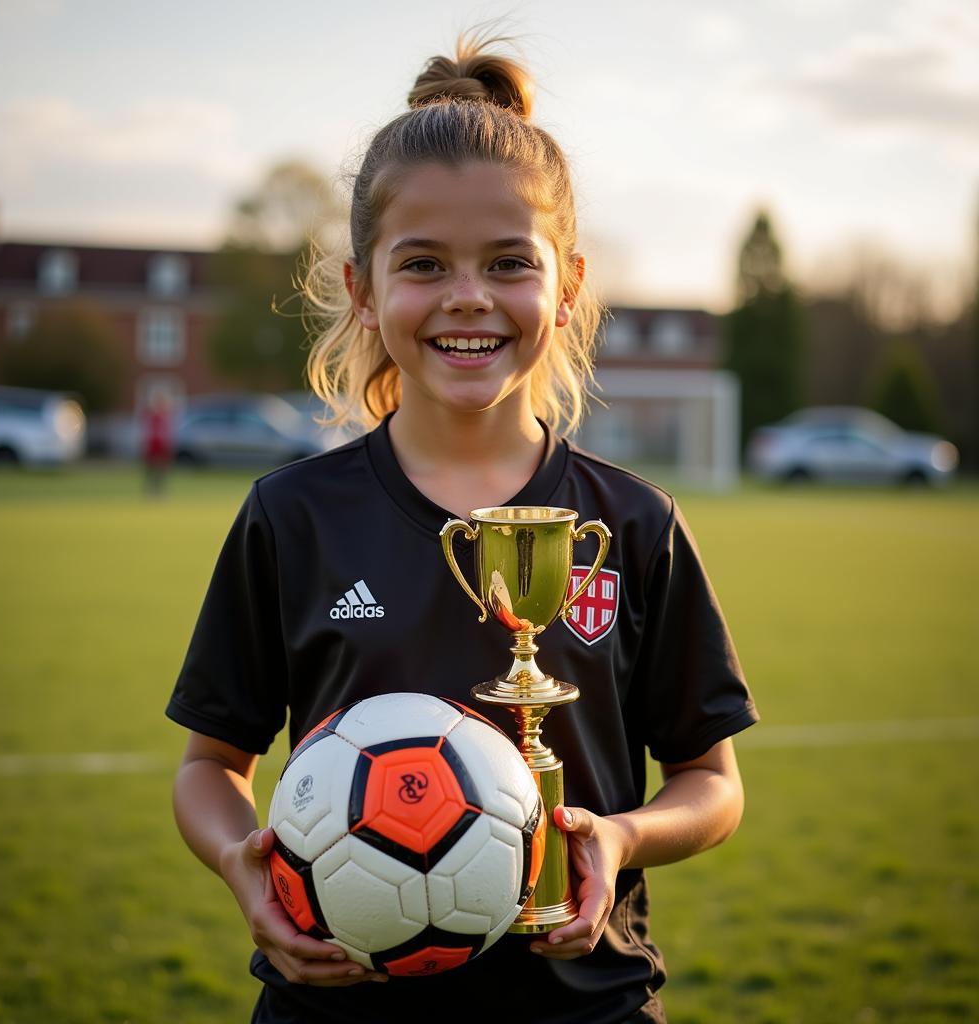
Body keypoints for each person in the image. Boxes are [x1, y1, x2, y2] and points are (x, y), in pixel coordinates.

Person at [167, 33, 758, 1024]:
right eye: (424, 263)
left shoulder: (634, 522)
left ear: (566, 287)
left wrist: (621, 838)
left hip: (586, 1005)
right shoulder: (292, 516)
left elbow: (710, 780)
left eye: (507, 263)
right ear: (361, 290)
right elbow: (209, 767)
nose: (468, 297)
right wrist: (241, 862)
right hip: (335, 1003)